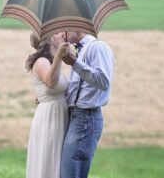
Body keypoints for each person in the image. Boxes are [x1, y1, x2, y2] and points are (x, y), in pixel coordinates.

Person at [58, 31, 115, 178]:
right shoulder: (80, 50)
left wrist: (75, 63)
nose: (61, 33)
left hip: (86, 118)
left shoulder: (98, 47)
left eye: (63, 28)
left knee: (70, 174)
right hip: (77, 117)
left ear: (75, 27)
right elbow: (77, 89)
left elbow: (103, 82)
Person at [25, 32, 70, 178]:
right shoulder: (41, 61)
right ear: (50, 39)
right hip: (49, 118)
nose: (62, 34)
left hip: (57, 114)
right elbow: (51, 83)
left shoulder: (50, 62)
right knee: (49, 159)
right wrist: (59, 56)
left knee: (56, 159)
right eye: (58, 33)